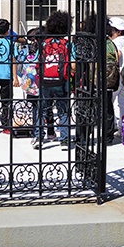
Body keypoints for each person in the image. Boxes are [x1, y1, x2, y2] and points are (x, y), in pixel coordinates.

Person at [38, 10, 72, 146]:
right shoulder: (66, 44)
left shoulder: (44, 44)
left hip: (45, 80)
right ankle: (64, 139)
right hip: (61, 80)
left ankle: (39, 136)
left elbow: (38, 61)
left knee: (43, 108)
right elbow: (73, 63)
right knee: (63, 110)